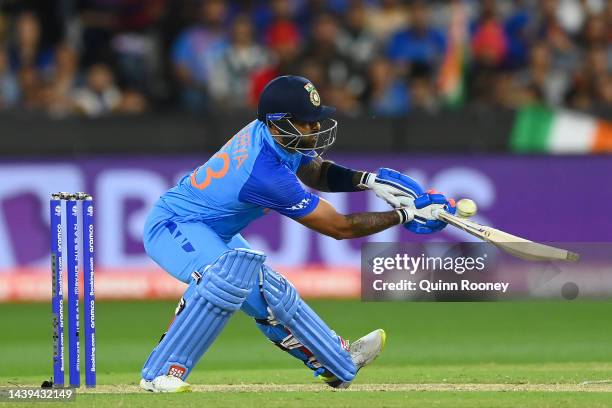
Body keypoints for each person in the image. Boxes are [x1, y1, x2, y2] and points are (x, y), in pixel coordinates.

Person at [139, 75, 455, 393]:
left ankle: (336, 361)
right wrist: (404, 215)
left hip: (214, 230)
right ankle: (160, 373)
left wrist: (371, 181)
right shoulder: (263, 172)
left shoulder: (278, 138)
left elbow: (316, 171)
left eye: (315, 120)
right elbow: (338, 227)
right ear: (278, 123)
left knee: (271, 294)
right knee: (223, 280)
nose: (315, 128)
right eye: (306, 122)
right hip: (174, 225)